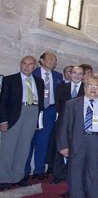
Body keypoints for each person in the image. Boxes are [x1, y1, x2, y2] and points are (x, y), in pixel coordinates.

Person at [58, 76, 98, 198]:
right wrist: (63, 146)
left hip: (96, 141)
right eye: (90, 86)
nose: (93, 89)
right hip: (77, 142)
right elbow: (64, 126)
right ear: (84, 88)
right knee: (75, 175)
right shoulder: (72, 104)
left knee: (94, 175)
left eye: (96, 86)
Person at [0, 56, 45, 190]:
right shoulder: (10, 79)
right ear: (20, 64)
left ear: (35, 66)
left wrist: (39, 120)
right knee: (8, 148)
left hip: (32, 112)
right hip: (15, 114)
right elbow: (3, 102)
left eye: (30, 64)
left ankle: (17, 177)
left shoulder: (39, 82)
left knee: (24, 147)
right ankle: (4, 178)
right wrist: (3, 120)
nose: (27, 66)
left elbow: (41, 101)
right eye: (24, 63)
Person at [26, 52, 63, 180]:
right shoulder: (33, 73)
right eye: (50, 59)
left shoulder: (58, 76)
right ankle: (25, 171)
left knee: (44, 141)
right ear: (41, 60)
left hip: (50, 111)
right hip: (35, 110)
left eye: (55, 60)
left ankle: (39, 170)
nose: (53, 61)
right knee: (30, 140)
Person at [51, 65, 85, 185]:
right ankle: (58, 174)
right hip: (63, 122)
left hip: (80, 123)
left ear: (83, 76)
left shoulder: (86, 89)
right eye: (74, 73)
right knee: (61, 147)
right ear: (70, 74)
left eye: (80, 73)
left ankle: (75, 176)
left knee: (77, 150)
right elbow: (57, 105)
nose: (77, 76)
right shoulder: (61, 87)